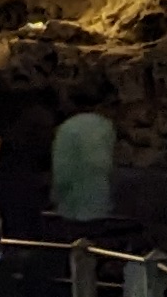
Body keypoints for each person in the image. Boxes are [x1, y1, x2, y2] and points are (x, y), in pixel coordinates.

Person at [48, 95, 117, 226]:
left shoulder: (66, 128)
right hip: (102, 203)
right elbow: (109, 164)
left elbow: (61, 173)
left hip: (70, 206)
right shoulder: (106, 126)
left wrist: (55, 197)